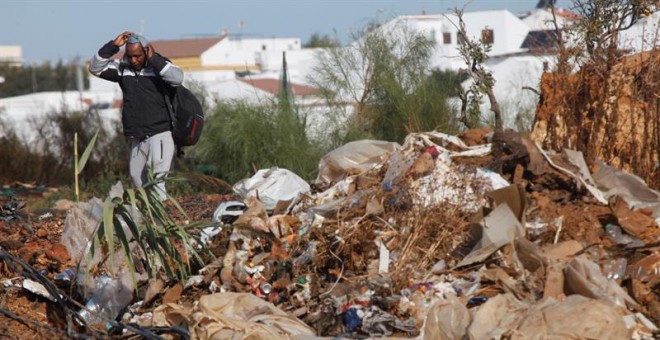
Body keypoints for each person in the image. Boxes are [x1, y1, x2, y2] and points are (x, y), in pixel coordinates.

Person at [89, 31, 184, 200]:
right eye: (130, 56)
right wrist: (113, 46)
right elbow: (95, 68)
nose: (134, 60)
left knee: (157, 178)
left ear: (147, 51)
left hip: (160, 132)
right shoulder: (123, 69)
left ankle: (161, 221)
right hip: (138, 135)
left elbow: (177, 78)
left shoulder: (159, 66)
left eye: (138, 56)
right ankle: (149, 213)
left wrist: (154, 59)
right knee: (136, 177)